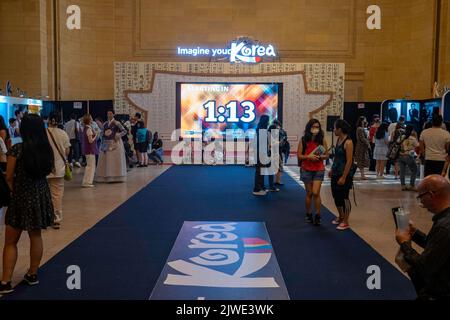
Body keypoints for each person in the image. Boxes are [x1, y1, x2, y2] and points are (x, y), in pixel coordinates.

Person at [0, 114, 55, 294]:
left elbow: (8, 177)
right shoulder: (46, 150)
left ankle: (6, 281)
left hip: (20, 197)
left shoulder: (17, 150)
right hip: (40, 196)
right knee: (35, 235)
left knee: (10, 241)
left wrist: (13, 189)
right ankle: (32, 273)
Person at [395, 175, 450, 300]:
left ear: (431, 195)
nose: (421, 203)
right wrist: (415, 234)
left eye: (421, 197)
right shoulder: (444, 220)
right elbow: (437, 247)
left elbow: (423, 267)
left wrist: (404, 244)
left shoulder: (444, 227)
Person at [297, 119, 329, 225]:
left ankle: (318, 214)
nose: (315, 129)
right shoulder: (303, 140)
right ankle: (309, 213)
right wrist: (308, 157)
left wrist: (320, 157)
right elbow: (299, 155)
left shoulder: (322, 140)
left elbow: (326, 155)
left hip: (318, 168)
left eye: (317, 127)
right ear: (309, 127)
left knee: (316, 192)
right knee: (309, 193)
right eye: (313, 126)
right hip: (306, 168)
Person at [46, 112, 71, 229]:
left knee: (45, 194)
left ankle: (46, 217)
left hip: (45, 169)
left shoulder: (43, 133)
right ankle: (56, 219)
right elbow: (67, 151)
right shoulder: (63, 133)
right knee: (57, 195)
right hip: (59, 168)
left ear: (48, 120)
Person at [329, 119, 354, 231]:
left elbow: (349, 161)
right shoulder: (338, 139)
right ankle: (341, 216)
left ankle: (346, 221)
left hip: (344, 174)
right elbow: (336, 157)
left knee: (344, 197)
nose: (333, 130)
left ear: (340, 129)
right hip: (335, 172)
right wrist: (331, 169)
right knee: (336, 196)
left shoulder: (348, 142)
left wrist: (344, 177)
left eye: (335, 128)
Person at [96, 110, 127, 183]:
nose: (109, 115)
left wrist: (118, 135)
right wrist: (102, 136)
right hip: (106, 143)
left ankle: (116, 176)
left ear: (114, 114)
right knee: (107, 160)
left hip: (115, 143)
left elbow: (124, 131)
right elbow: (102, 132)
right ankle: (107, 176)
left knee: (114, 160)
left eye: (110, 113)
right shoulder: (105, 124)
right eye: (108, 114)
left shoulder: (117, 123)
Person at [253, 115, 271, 196]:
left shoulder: (259, 130)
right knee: (259, 172)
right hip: (261, 154)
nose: (268, 122)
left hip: (260, 154)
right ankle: (257, 189)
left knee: (260, 172)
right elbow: (262, 145)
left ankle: (261, 187)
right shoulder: (262, 131)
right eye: (268, 121)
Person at [398, 125, 418, 191]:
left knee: (402, 171)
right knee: (415, 169)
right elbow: (417, 146)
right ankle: (412, 185)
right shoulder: (412, 138)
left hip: (400, 155)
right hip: (408, 155)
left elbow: (397, 144)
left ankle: (403, 185)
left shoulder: (401, 137)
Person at [81, 114, 99, 187]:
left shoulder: (85, 128)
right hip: (90, 150)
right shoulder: (88, 129)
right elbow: (90, 141)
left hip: (88, 150)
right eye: (91, 118)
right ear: (89, 120)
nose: (92, 119)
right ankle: (88, 182)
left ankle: (86, 181)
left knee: (89, 166)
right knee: (91, 166)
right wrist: (96, 135)